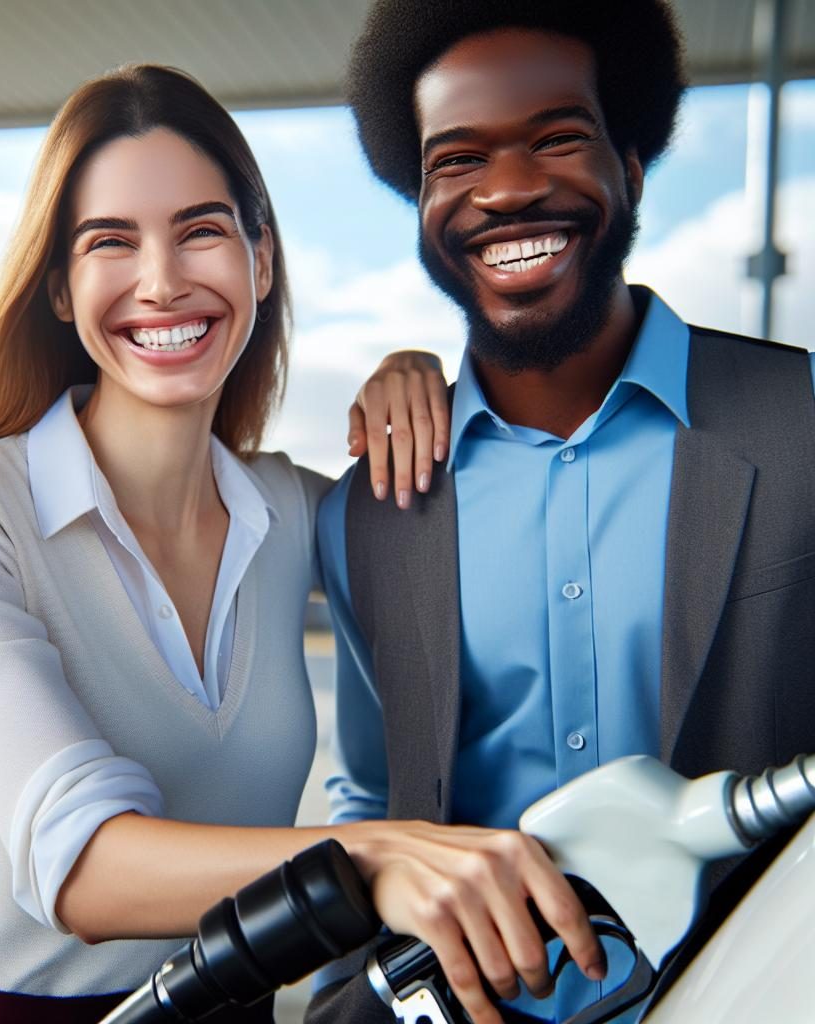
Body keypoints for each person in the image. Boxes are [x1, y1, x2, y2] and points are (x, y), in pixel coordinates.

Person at [0, 63, 602, 1024]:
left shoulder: (297, 511)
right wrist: (374, 859)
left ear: (260, 259)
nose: (162, 282)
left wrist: (423, 383)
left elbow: (507, 568)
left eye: (201, 231)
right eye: (110, 242)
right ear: (57, 286)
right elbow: (78, 865)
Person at [313, 2, 815, 1023]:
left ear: (630, 167)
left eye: (556, 139)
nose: (507, 189)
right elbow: (376, 802)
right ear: (418, 203)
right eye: (457, 161)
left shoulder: (799, 420)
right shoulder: (370, 510)